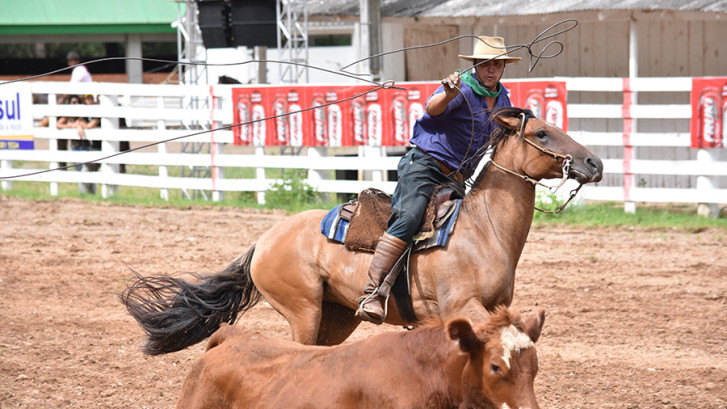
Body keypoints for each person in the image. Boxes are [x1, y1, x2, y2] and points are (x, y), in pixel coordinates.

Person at [355, 36, 522, 324]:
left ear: (504, 66)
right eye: (485, 64)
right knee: (409, 218)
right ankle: (374, 292)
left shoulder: (503, 100)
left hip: (457, 179)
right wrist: (446, 93)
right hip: (425, 166)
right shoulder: (461, 88)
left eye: (497, 64)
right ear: (475, 65)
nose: (491, 69)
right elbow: (433, 108)